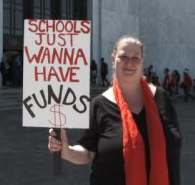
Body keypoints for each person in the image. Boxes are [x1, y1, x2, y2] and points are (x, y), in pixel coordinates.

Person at [48, 35, 182, 185]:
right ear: (113, 59)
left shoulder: (161, 98)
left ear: (142, 61)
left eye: (135, 58)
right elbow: (87, 151)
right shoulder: (99, 104)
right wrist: (67, 151)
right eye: (123, 56)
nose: (129, 63)